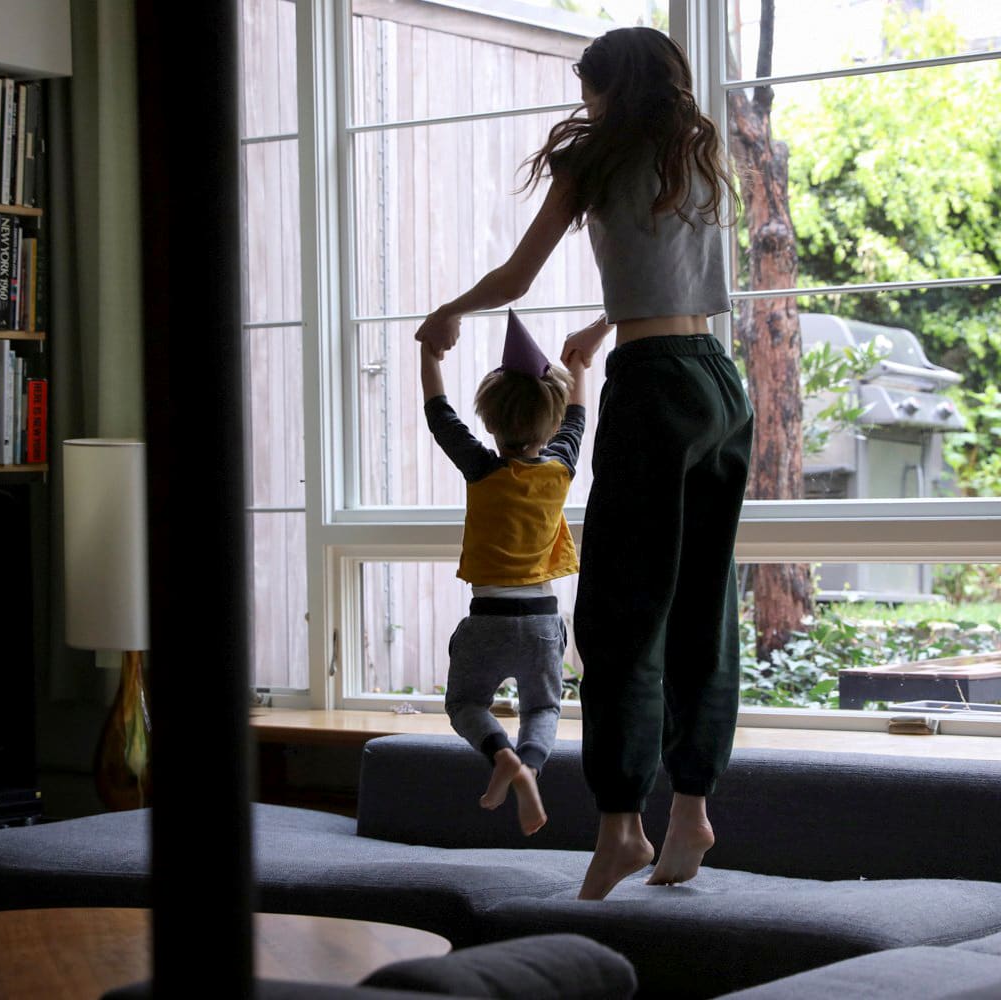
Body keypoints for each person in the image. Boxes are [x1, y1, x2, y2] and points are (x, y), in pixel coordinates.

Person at [414, 26, 751, 900]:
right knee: (704, 609)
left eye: (588, 88)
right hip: (719, 380)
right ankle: (691, 811)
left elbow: (520, 275)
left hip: (653, 387)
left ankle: (620, 828)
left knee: (618, 618)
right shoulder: (702, 154)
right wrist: (606, 328)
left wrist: (450, 310)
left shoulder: (597, 158)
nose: (586, 103)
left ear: (608, 87)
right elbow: (675, 278)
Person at [421, 309, 588, 837]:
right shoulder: (561, 467)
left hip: (487, 616)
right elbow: (580, 415)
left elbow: (439, 416)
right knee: (543, 707)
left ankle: (501, 757)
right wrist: (578, 367)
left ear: (490, 423)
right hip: (542, 618)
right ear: (554, 422)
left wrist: (429, 354)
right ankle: (528, 768)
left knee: (466, 703)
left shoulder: (482, 468)